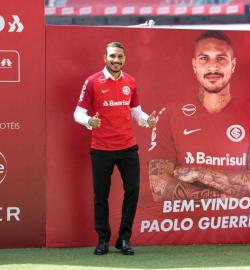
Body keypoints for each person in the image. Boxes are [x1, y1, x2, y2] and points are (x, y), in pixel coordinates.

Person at [148, 30, 250, 202]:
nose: (213, 67)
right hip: (183, 225)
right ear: (194, 66)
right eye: (204, 58)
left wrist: (197, 173)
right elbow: (159, 187)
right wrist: (216, 197)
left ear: (233, 65)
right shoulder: (169, 115)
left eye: (221, 58)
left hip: (240, 225)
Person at [73, 41, 157, 255]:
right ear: (105, 57)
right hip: (101, 149)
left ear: (124, 59)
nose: (116, 60)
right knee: (101, 195)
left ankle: (124, 239)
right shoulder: (92, 82)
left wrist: (149, 121)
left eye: (120, 57)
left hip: (128, 148)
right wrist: (89, 121)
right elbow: (78, 113)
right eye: (112, 56)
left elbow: (136, 113)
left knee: (133, 191)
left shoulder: (130, 81)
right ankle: (102, 239)